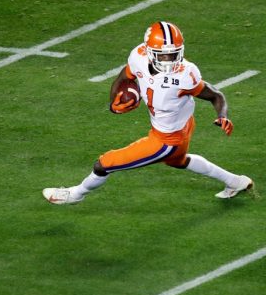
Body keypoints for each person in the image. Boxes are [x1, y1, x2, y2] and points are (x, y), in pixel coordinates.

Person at [43, 21, 254, 204]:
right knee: (178, 161)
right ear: (149, 51)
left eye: (174, 54)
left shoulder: (185, 74)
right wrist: (113, 103)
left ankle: (75, 194)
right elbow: (124, 77)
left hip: (166, 139)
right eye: (164, 56)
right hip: (179, 126)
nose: (170, 60)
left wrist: (222, 115)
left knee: (104, 164)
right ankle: (235, 181)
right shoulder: (139, 57)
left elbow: (215, 95)